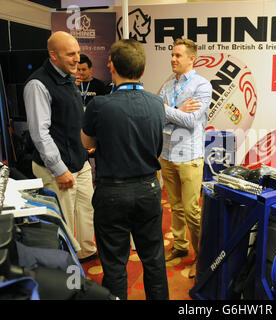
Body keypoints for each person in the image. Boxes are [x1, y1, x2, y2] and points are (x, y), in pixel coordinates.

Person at [81, 39, 169, 300]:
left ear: (111, 66)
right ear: (142, 71)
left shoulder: (99, 105)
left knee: (114, 264)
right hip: (148, 189)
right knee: (154, 259)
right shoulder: (157, 104)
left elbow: (87, 144)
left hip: (112, 193)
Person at [23, 31, 96, 262]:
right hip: (57, 169)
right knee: (63, 221)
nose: (77, 59)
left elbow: (69, 119)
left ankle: (87, 253)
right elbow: (40, 133)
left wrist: (84, 146)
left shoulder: (67, 77)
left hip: (80, 162)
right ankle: (66, 264)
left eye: (77, 53)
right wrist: (59, 169)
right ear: (53, 55)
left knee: (86, 212)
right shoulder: (37, 84)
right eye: (70, 54)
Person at [159, 38, 212, 279]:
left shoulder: (202, 86)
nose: (173, 59)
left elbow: (190, 121)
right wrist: (177, 112)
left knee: (192, 210)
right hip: (167, 153)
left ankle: (202, 256)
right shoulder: (168, 85)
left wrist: (168, 111)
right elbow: (158, 116)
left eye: (178, 55)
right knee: (176, 207)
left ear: (192, 58)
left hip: (189, 155)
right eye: (172, 54)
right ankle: (179, 246)